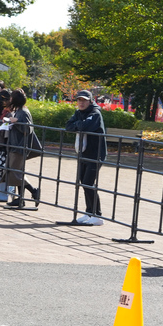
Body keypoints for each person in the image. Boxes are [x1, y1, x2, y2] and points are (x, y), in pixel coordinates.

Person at [65, 89, 107, 225]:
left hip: (95, 154)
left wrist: (78, 125)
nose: (81, 103)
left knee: (88, 183)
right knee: (83, 182)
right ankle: (89, 212)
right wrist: (78, 125)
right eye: (79, 100)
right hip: (83, 152)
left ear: (90, 101)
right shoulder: (78, 113)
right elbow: (68, 126)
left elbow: (84, 126)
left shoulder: (95, 113)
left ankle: (98, 215)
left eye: (84, 100)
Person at [2, 88, 40, 209]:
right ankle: (21, 198)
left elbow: (28, 129)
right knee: (16, 172)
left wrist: (16, 122)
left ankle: (33, 191)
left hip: (19, 146)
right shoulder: (19, 111)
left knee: (15, 173)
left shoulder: (23, 112)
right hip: (15, 145)